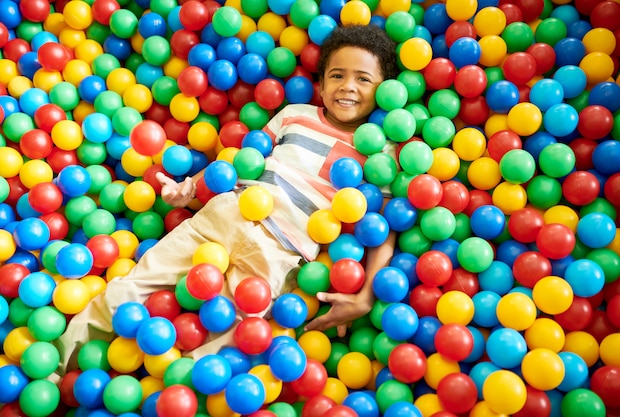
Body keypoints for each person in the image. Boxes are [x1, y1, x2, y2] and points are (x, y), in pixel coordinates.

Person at [55, 23, 400, 374]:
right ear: (322, 83)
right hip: (227, 215)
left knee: (231, 338)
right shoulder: (295, 115)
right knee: (130, 288)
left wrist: (366, 294)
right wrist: (191, 187)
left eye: (363, 79)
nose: (348, 87)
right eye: (337, 75)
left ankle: (175, 392)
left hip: (281, 250)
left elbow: (381, 228)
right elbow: (241, 161)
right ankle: (57, 368)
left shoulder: (381, 154)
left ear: (384, 91)